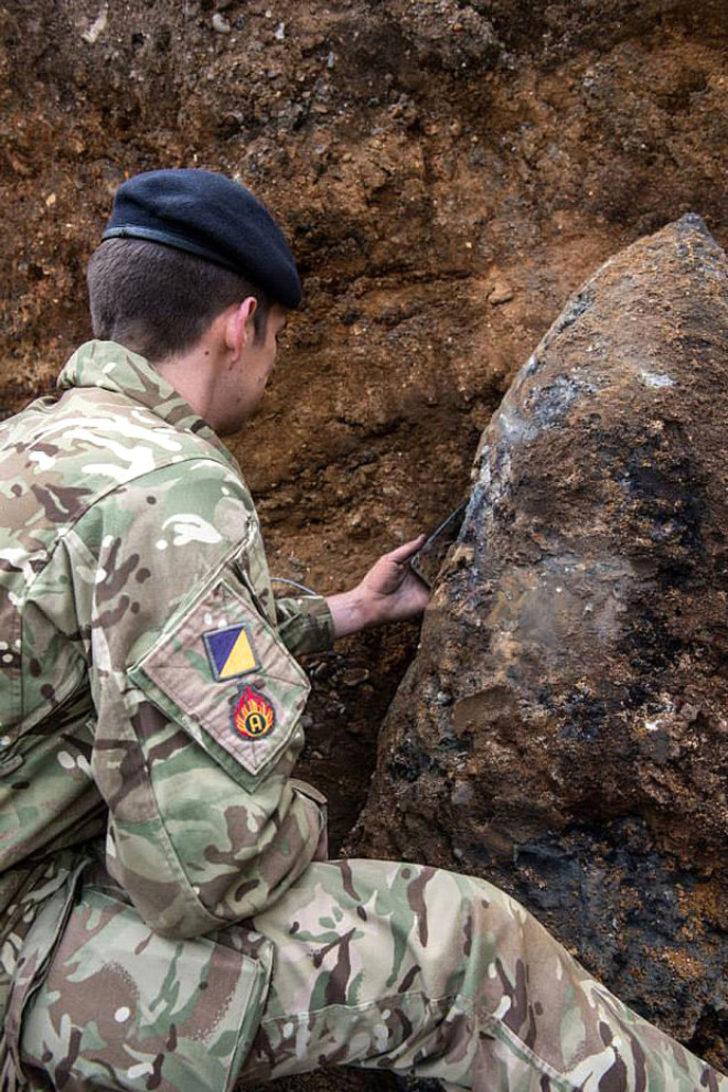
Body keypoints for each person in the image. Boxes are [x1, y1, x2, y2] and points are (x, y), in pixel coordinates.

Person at [0, 168, 724, 1092]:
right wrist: (309, 822)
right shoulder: (171, 488)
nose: (273, 362)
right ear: (241, 321)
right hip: (22, 943)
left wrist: (347, 611)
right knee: (463, 947)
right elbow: (197, 877)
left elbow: (121, 645)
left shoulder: (33, 446)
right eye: (278, 339)